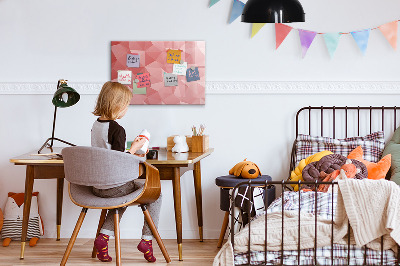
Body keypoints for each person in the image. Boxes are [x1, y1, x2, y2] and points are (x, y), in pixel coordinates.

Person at [91, 81, 161, 263]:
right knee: (156, 194)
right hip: (114, 186)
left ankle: (103, 238)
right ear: (117, 105)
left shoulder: (96, 125)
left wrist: (130, 149)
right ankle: (147, 240)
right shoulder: (117, 129)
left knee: (122, 198)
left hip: (97, 186)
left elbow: (108, 154)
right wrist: (135, 149)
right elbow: (118, 161)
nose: (127, 109)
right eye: (127, 105)